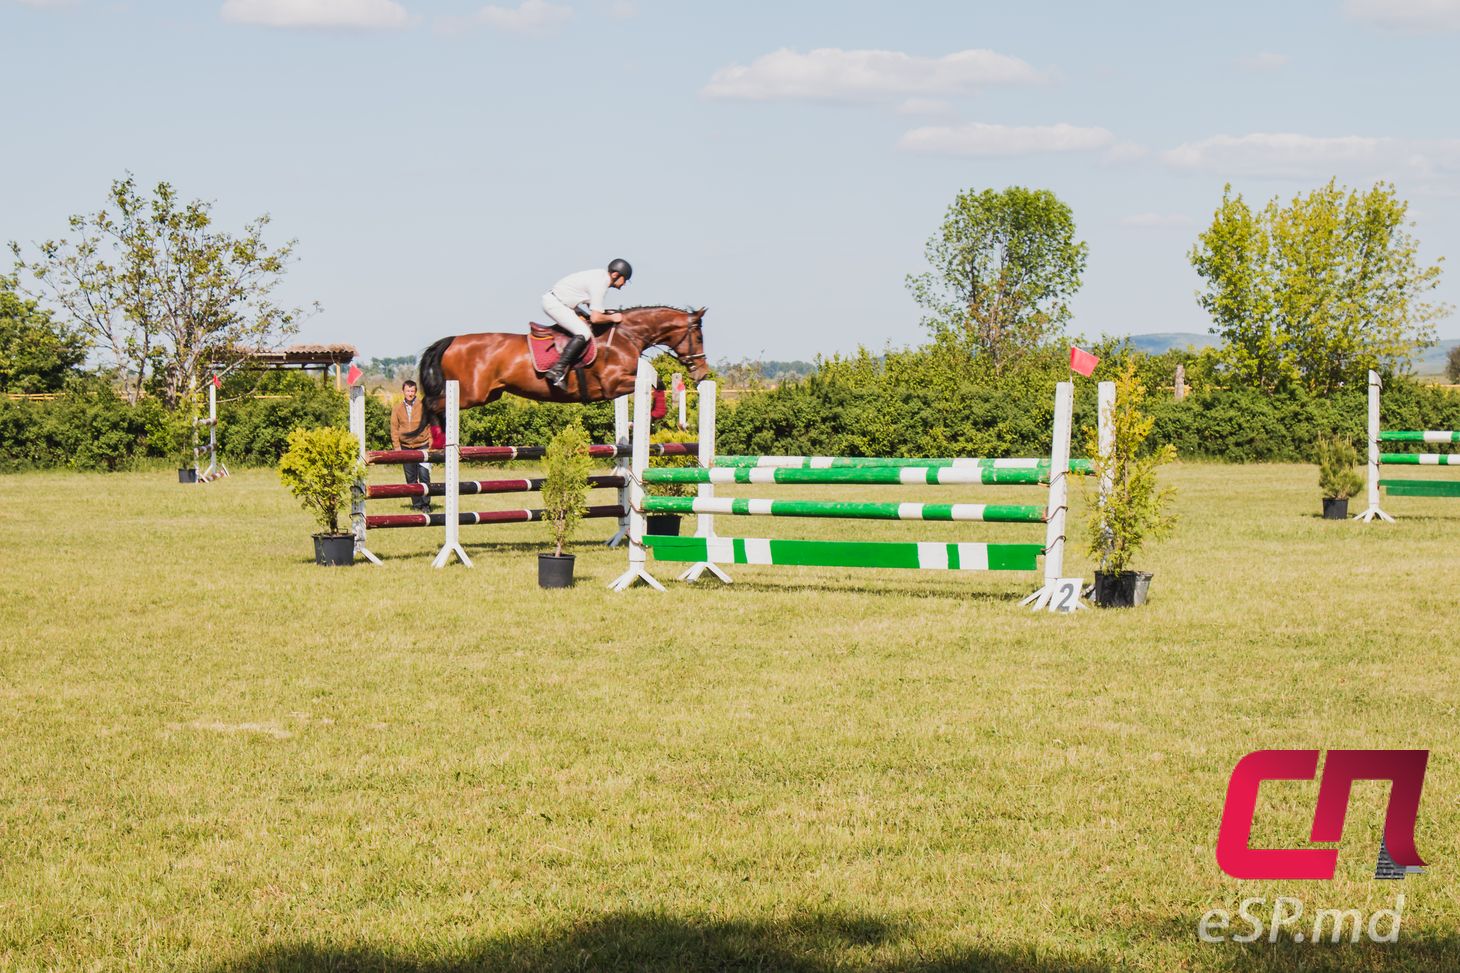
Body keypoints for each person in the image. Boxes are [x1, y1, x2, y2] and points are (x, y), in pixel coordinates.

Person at [540, 258, 632, 390]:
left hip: (563, 302)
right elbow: (595, 318)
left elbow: (593, 309)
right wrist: (613, 318)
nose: (624, 284)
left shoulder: (600, 277)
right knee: (584, 333)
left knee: (585, 324)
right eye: (625, 279)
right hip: (556, 303)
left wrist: (606, 314)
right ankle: (557, 370)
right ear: (615, 275)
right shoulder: (601, 283)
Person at [391, 380, 433, 512]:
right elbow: (394, 428)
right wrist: (397, 447)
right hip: (405, 447)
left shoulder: (423, 406)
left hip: (422, 445)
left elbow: (431, 424)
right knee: (411, 478)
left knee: (424, 475)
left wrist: (431, 442)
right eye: (408, 391)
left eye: (412, 391)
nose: (410, 393)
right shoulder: (397, 408)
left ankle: (426, 504)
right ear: (403, 391)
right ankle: (416, 504)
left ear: (415, 392)